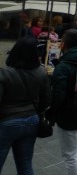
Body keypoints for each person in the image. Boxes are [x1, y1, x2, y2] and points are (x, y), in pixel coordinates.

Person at [0, 37, 51, 175]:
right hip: (31, 121)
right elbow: (46, 100)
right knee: (25, 165)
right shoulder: (41, 72)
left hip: (7, 122)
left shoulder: (4, 73)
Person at [48, 29, 77, 175]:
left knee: (69, 155)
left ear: (64, 44)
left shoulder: (64, 66)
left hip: (68, 114)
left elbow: (58, 95)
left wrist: (51, 113)